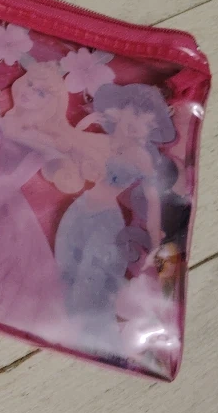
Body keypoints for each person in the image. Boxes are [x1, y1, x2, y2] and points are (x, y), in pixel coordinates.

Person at [0, 60, 92, 341]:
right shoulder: (7, 122)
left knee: (1, 271)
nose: (29, 91)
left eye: (41, 92)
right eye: (30, 83)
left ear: (52, 104)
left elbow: (11, 181)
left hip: (7, 209)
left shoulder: (43, 140)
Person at [54, 82, 176, 355]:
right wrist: (85, 124)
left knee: (91, 280)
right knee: (66, 269)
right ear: (121, 110)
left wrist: (155, 242)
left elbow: (154, 201)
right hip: (78, 211)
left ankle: (88, 339)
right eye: (135, 113)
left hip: (105, 222)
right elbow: (66, 140)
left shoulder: (142, 157)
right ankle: (70, 333)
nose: (137, 125)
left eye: (148, 123)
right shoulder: (107, 141)